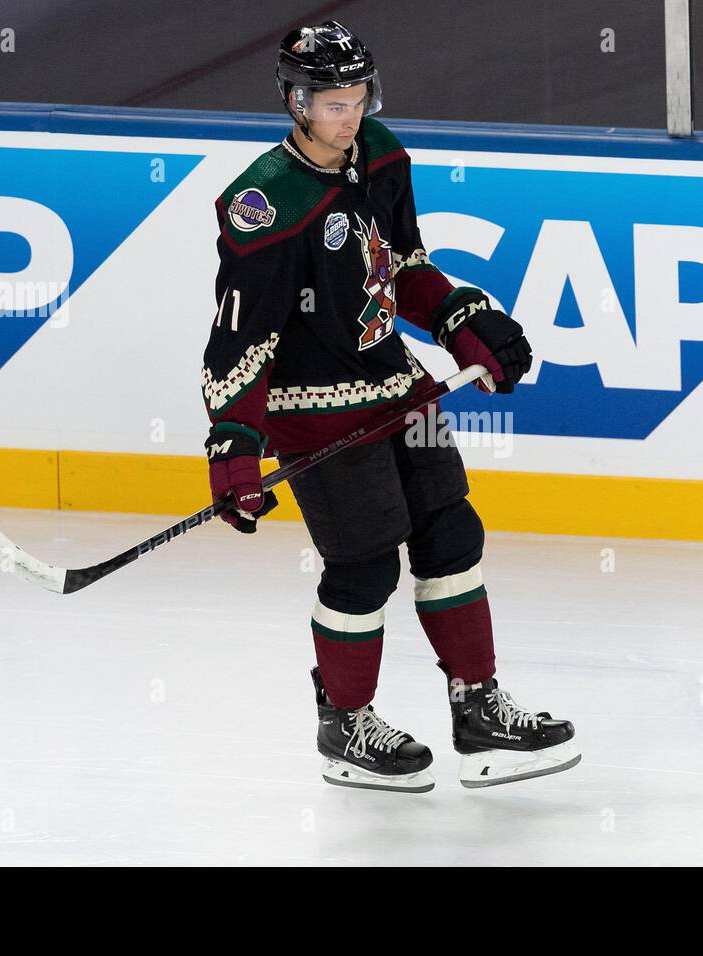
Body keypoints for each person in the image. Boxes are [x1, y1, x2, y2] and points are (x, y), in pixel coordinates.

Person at [200, 20, 578, 792]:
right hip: (313, 409)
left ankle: (477, 707)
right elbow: (240, 336)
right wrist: (234, 445)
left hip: (401, 386)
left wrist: (464, 321)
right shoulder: (262, 204)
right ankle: (345, 723)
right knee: (364, 565)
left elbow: (402, 265)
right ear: (296, 102)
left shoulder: (382, 154)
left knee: (452, 534)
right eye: (333, 102)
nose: (350, 114)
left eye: (358, 96)